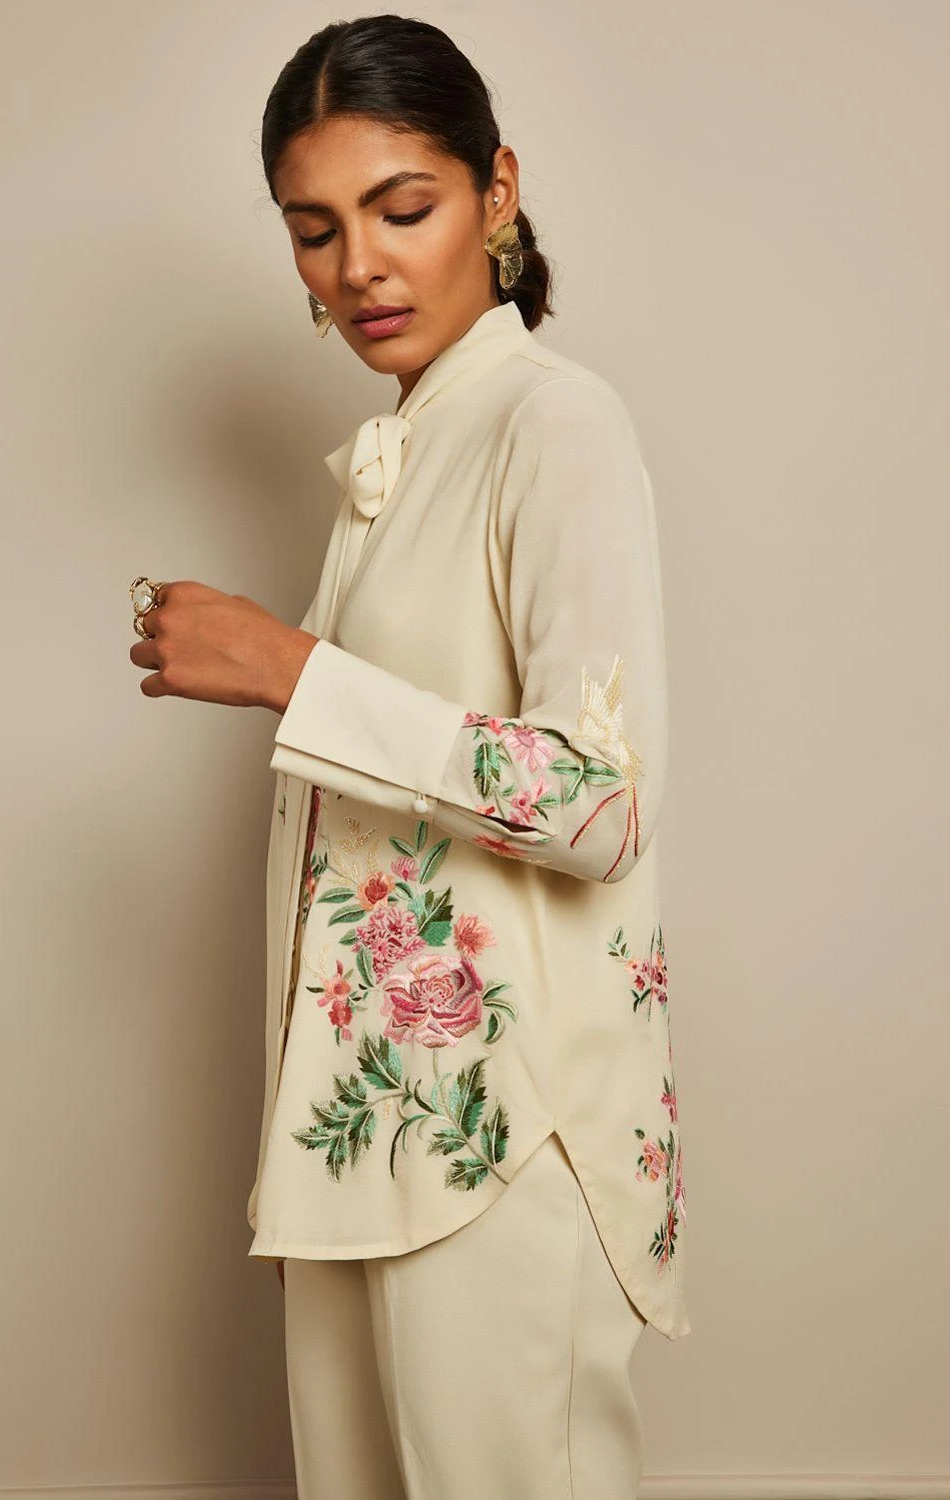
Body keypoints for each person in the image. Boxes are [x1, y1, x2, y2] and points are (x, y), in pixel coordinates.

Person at [129, 14, 690, 1498]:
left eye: (402, 208)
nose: (359, 267)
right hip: (359, 1139)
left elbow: (597, 803)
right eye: (314, 229)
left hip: (502, 1142)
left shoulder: (554, 422)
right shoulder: (410, 450)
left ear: (496, 191)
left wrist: (290, 669)